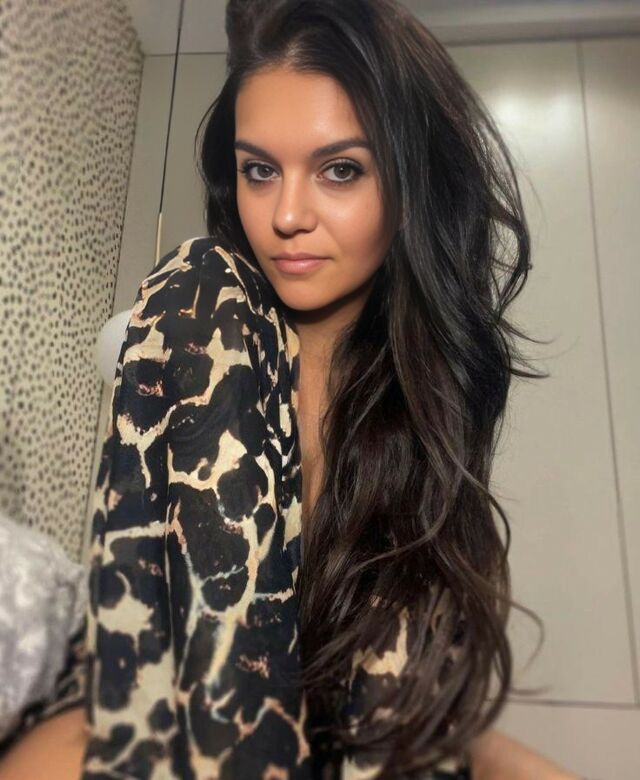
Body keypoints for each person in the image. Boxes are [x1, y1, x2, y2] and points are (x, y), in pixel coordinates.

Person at [0, 0, 582, 777]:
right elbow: (166, 690)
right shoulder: (205, 303)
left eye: (341, 169)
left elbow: (399, 712)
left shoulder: (416, 396)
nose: (287, 215)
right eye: (259, 170)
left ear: (410, 184)